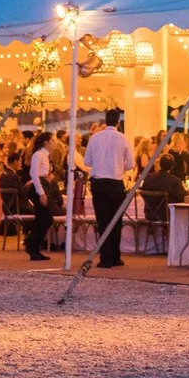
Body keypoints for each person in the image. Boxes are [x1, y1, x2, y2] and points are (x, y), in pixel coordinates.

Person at [85, 108, 131, 268]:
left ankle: (106, 258)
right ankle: (116, 256)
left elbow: (87, 162)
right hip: (116, 183)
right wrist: (118, 165)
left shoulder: (95, 138)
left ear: (105, 121)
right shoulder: (123, 138)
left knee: (103, 221)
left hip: (98, 183)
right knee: (116, 221)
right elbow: (131, 164)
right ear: (118, 122)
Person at [24, 131, 57, 261]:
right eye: (52, 141)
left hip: (44, 184)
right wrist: (41, 193)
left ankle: (33, 245)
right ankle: (31, 243)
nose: (54, 143)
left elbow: (41, 173)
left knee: (44, 218)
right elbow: (34, 174)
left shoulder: (45, 155)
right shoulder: (39, 155)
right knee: (45, 218)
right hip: (39, 187)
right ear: (46, 142)